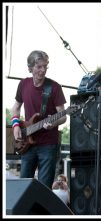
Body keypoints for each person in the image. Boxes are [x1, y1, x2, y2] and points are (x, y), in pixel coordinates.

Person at [11, 50, 67, 189]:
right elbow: (16, 107)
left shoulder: (54, 87)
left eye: (45, 66)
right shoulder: (23, 84)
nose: (43, 70)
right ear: (30, 68)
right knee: (23, 188)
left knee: (43, 189)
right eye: (39, 67)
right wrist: (16, 125)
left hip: (48, 145)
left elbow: (63, 116)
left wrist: (53, 123)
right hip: (27, 143)